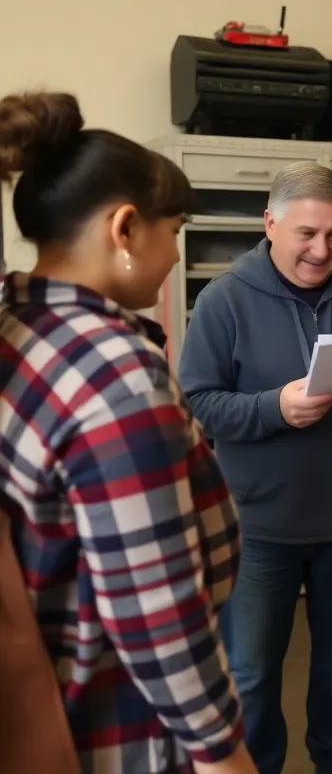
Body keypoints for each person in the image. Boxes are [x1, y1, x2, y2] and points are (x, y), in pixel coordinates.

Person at [0, 91, 256, 773]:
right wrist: (223, 752)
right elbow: (156, 611)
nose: (174, 253)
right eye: (173, 229)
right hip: (116, 723)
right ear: (125, 229)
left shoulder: (17, 325)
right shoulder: (115, 376)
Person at [177, 161, 332, 774]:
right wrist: (275, 408)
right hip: (259, 522)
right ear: (270, 223)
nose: (323, 251)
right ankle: (257, 765)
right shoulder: (224, 299)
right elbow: (198, 401)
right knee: (253, 668)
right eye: (308, 234)